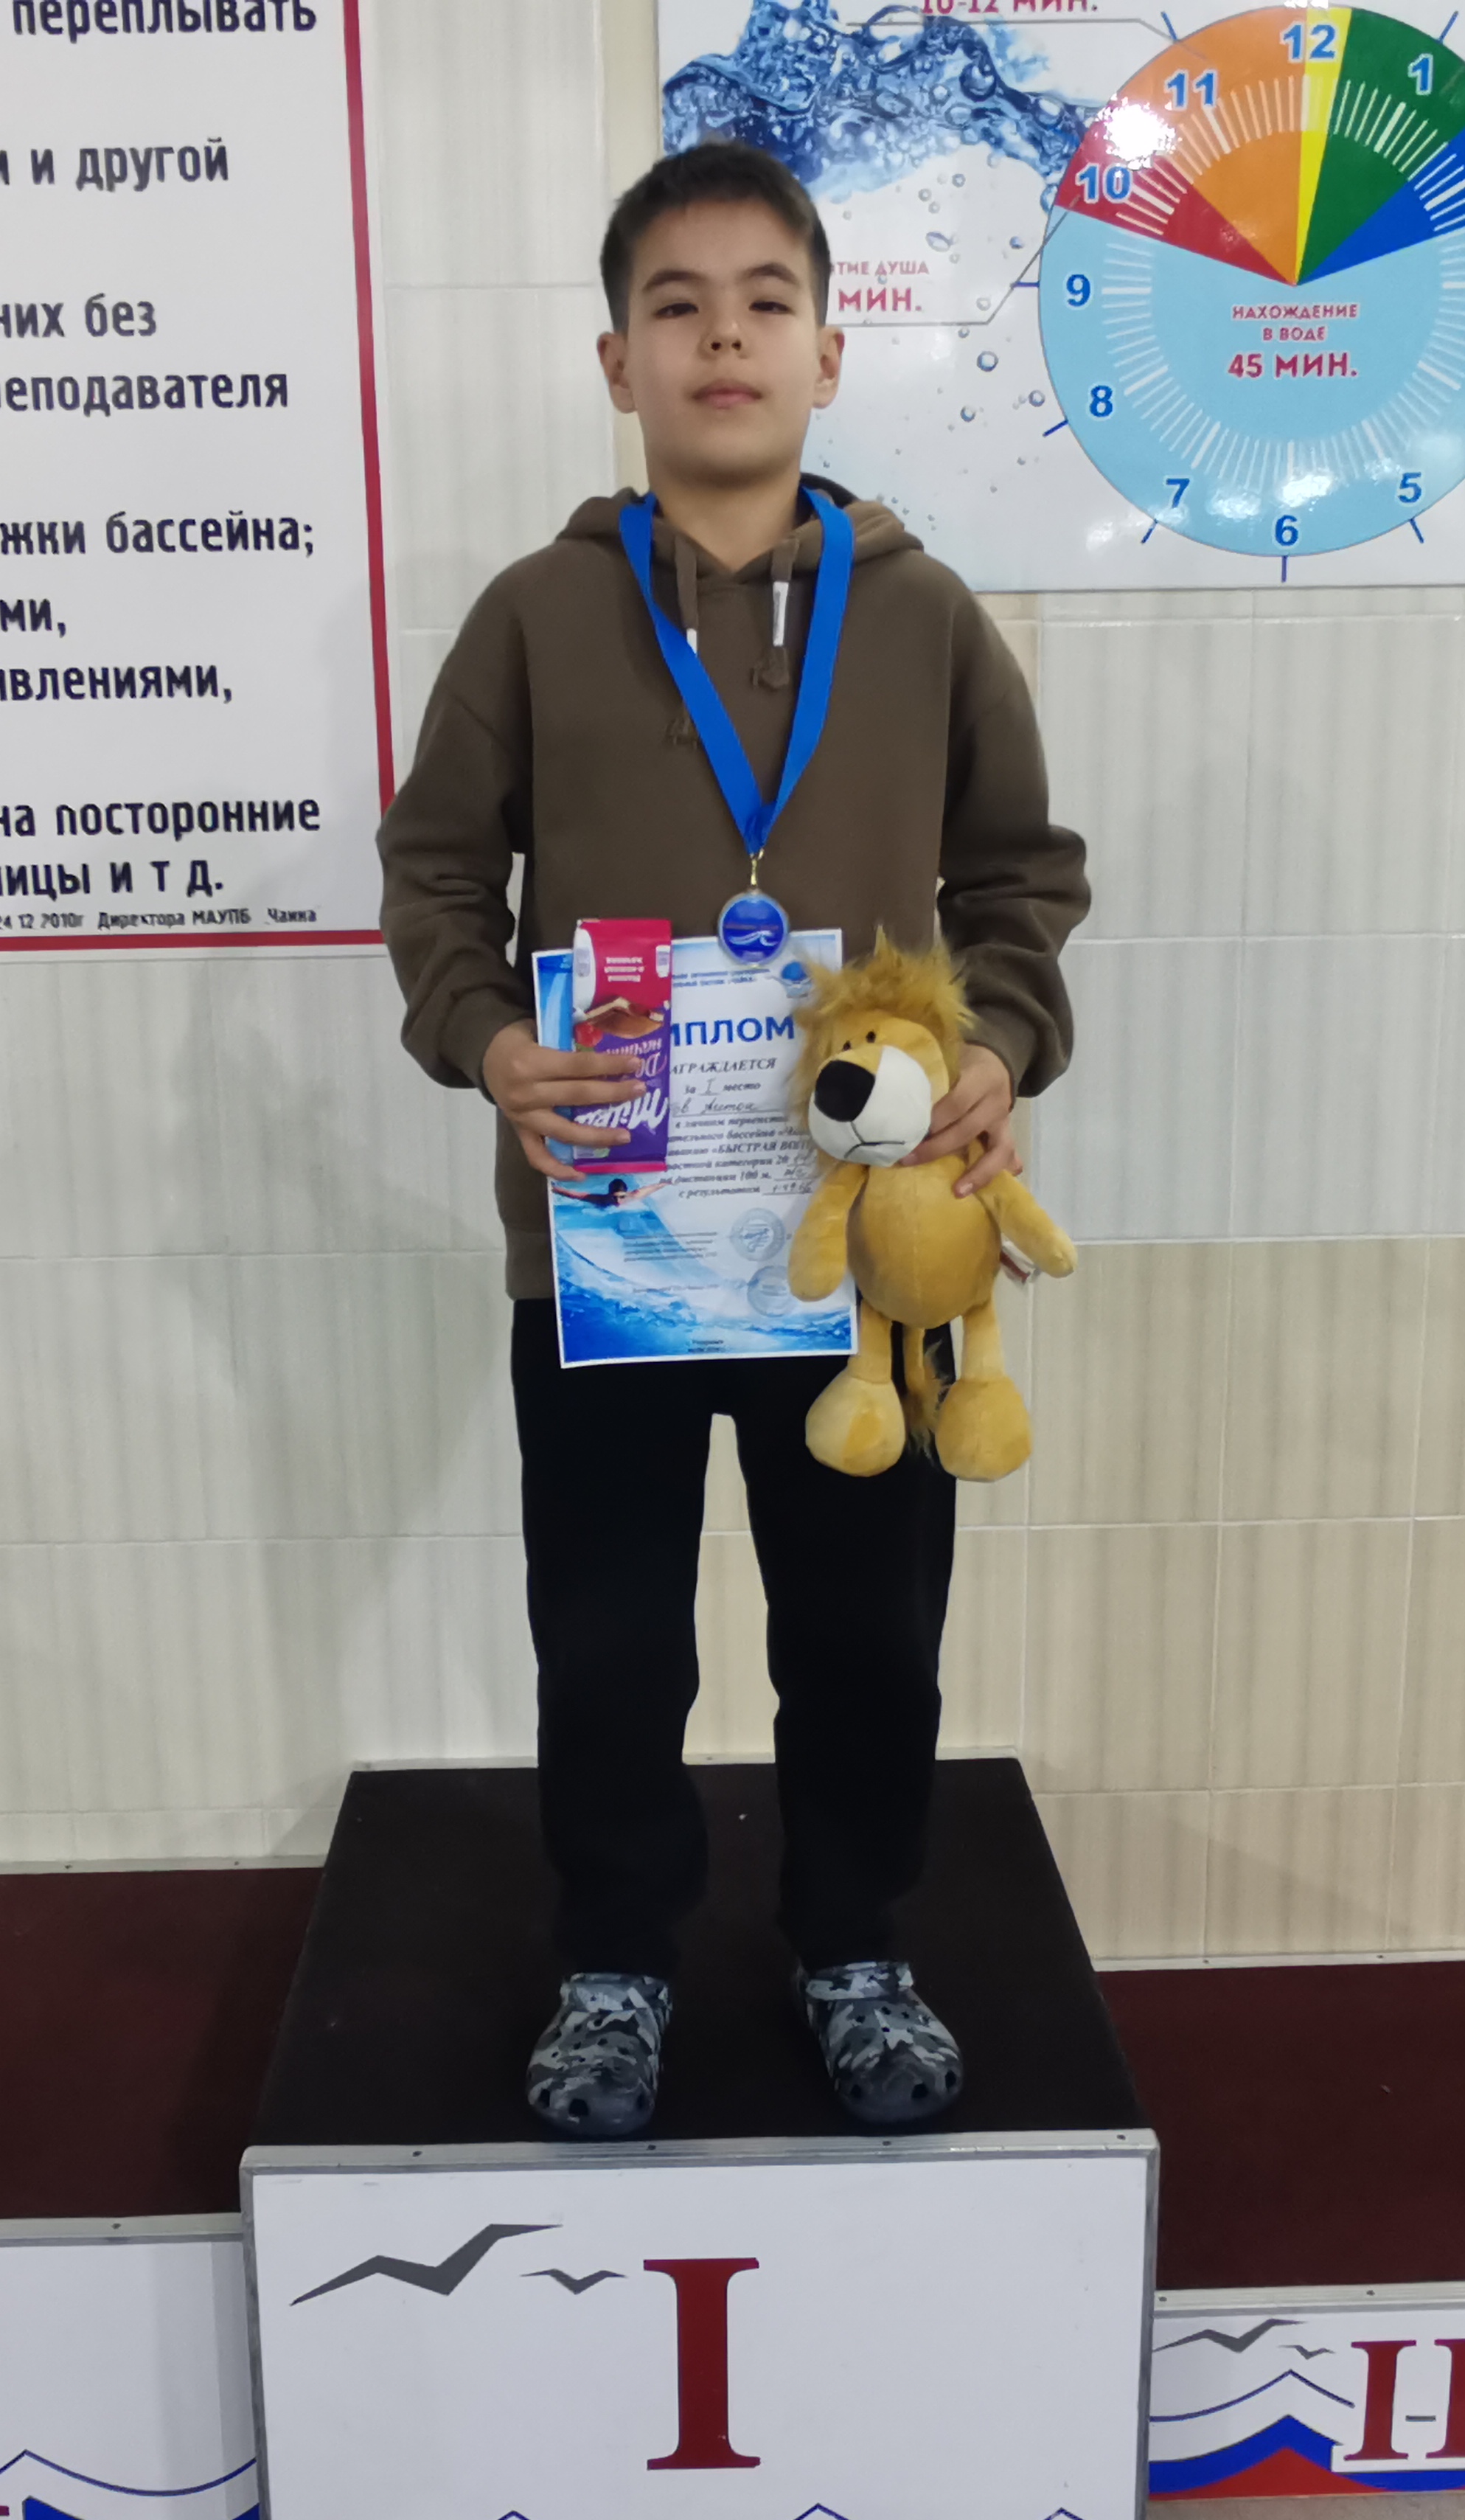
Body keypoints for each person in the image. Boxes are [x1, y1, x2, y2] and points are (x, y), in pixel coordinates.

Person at [377, 141, 1090, 2138]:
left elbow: (1023, 881)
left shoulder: (925, 618)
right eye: (676, 305)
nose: (723, 338)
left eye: (766, 301)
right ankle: (615, 1963)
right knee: (608, 1636)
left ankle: (853, 1943)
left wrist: (999, 1044)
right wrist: (489, 1041)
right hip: (607, 1238)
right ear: (617, 360)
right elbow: (435, 876)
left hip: (864, 1255)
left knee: (867, 1625)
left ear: (829, 352)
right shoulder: (536, 616)